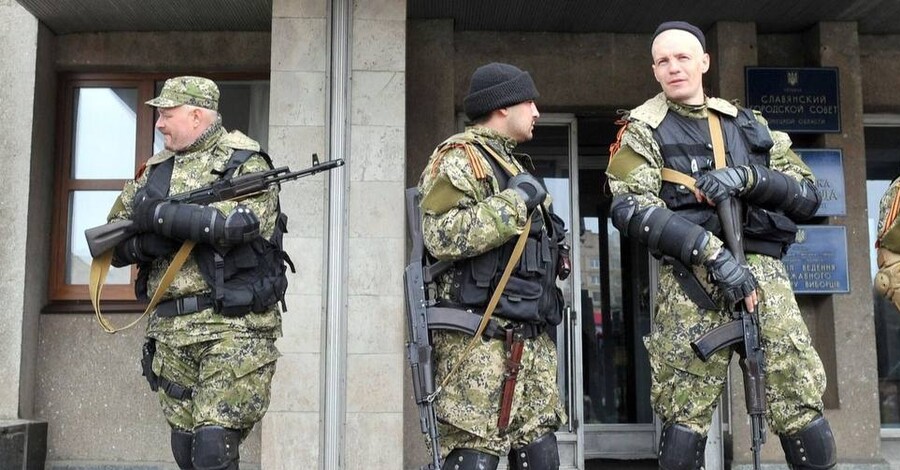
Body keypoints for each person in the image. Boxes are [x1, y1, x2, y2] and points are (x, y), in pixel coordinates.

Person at [605, 22, 836, 469]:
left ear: (704, 62)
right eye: (663, 61)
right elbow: (630, 208)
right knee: (683, 413)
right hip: (694, 283)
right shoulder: (642, 130)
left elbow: (808, 195)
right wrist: (711, 254)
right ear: (654, 70)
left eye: (683, 57)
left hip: (764, 280)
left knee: (800, 399)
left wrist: (749, 177)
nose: (674, 68)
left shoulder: (747, 124)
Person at [107, 76, 288, 470]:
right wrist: (147, 245)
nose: (159, 124)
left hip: (232, 328)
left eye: (167, 114)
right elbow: (111, 242)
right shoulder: (154, 172)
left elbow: (240, 224)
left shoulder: (244, 162)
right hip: (171, 332)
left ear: (196, 115)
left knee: (212, 450)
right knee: (186, 451)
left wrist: (160, 216)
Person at [417, 62, 569, 470]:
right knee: (474, 455)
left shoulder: (512, 165)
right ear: (503, 106)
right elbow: (441, 235)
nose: (537, 112)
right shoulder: (460, 159)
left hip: (530, 342)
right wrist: (514, 204)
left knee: (541, 455)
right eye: (529, 102)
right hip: (481, 347)